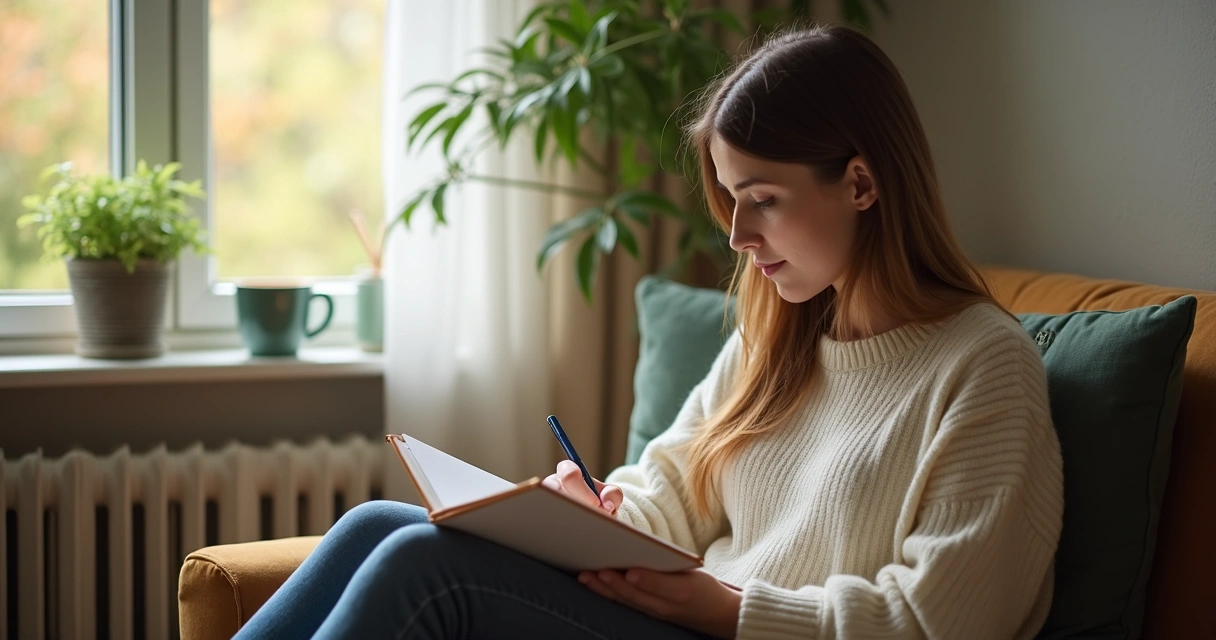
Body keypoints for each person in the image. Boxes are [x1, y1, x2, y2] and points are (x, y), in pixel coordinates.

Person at [236, 23, 1063, 640]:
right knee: (377, 524)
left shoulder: (982, 367)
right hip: (691, 617)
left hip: (734, 631)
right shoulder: (779, 335)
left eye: (763, 199)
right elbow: (672, 484)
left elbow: (939, 621)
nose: (737, 235)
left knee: (423, 569)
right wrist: (599, 518)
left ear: (860, 183)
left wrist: (732, 607)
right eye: (731, 198)